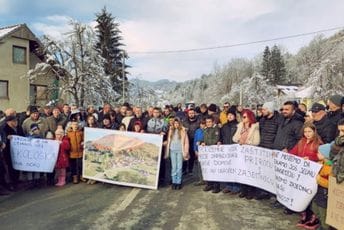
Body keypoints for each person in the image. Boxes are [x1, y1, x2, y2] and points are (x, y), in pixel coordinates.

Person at [289, 122, 323, 228]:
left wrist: (311, 159)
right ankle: (304, 215)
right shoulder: (301, 141)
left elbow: (322, 158)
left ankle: (313, 217)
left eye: (309, 131)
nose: (307, 134)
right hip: (301, 173)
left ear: (314, 131)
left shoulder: (319, 143)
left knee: (311, 195)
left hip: (312, 174)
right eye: (305, 132)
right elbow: (292, 153)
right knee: (302, 193)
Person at [233, 109, 260, 200]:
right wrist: (238, 140)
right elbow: (235, 137)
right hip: (241, 153)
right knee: (242, 171)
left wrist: (247, 143)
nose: (243, 118)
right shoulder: (240, 126)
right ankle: (243, 190)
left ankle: (251, 191)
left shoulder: (254, 127)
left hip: (250, 153)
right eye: (242, 117)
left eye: (244, 117)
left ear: (249, 117)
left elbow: (256, 141)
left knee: (250, 172)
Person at [165, 118, 189, 190]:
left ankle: (178, 182)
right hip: (172, 150)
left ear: (179, 124)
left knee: (179, 167)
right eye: (175, 123)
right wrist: (166, 150)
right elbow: (169, 141)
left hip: (180, 151)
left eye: (177, 123)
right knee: (174, 167)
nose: (176, 125)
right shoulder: (171, 130)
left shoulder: (183, 131)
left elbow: (186, 142)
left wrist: (186, 151)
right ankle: (174, 181)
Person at [220, 109, 240, 194]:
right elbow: (221, 136)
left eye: (231, 115)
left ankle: (236, 187)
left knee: (235, 168)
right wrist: (220, 142)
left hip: (235, 150)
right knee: (227, 168)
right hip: (226, 150)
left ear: (234, 116)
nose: (230, 116)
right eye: (228, 115)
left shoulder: (238, 125)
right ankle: (229, 185)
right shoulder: (224, 126)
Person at [202, 115, 221, 193]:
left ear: (213, 122)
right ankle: (209, 184)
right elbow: (204, 139)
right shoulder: (205, 129)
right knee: (208, 169)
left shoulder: (216, 129)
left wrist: (206, 143)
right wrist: (202, 142)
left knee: (215, 169)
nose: (208, 123)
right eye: (207, 122)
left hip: (214, 152)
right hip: (207, 153)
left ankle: (216, 186)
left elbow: (215, 140)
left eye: (210, 122)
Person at [182, 108, 200, 175]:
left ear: (194, 113)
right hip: (186, 139)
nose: (191, 114)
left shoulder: (198, 121)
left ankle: (190, 169)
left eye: (192, 113)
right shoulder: (184, 121)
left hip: (194, 140)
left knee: (192, 155)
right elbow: (181, 128)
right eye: (190, 113)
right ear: (188, 114)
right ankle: (184, 169)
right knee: (185, 154)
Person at [193, 119, 206, 186]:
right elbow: (195, 140)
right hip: (199, 150)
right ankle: (201, 180)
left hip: (206, 151)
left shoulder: (207, 130)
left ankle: (207, 180)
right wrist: (195, 150)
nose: (202, 125)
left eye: (203, 124)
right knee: (199, 166)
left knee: (206, 166)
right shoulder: (197, 131)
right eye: (201, 124)